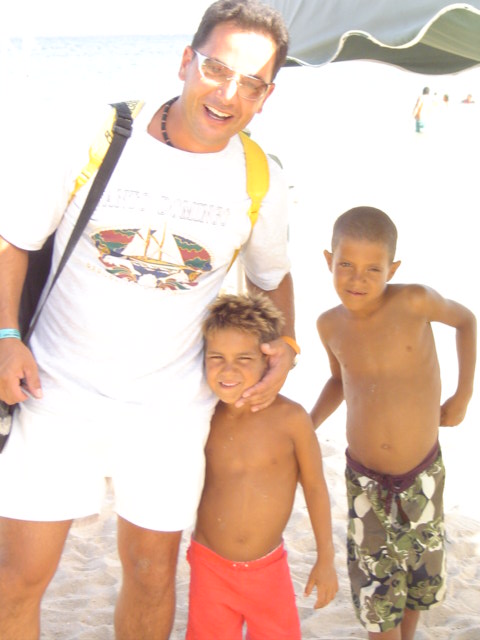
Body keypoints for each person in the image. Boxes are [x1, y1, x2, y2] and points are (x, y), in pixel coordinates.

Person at [0, 2, 299, 639]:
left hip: (171, 411)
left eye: (252, 83)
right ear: (187, 61)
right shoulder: (99, 133)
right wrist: (5, 338)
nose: (229, 95)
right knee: (18, 580)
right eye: (218, 70)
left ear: (267, 96)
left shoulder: (259, 177)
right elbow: (15, 240)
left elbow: (272, 277)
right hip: (55, 392)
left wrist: (286, 347)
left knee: (152, 575)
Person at [310, 206, 476, 640]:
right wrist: (308, 424)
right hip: (365, 481)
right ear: (328, 260)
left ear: (392, 270)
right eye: (346, 265)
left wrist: (463, 394)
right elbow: (338, 380)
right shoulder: (329, 325)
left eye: (373, 269)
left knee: (418, 577)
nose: (358, 279)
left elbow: (466, 321)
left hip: (423, 474)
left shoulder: (414, 301)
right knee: (377, 590)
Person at [186, 293, 338, 640]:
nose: (228, 370)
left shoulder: (292, 419)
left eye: (244, 358)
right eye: (217, 358)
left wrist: (325, 558)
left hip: (269, 570)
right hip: (209, 567)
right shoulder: (203, 415)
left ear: (269, 359)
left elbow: (315, 487)